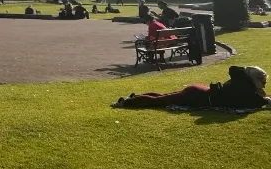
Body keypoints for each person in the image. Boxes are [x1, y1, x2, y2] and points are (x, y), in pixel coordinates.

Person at [113, 66, 271, 110]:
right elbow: (256, 101)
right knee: (159, 101)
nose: (264, 85)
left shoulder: (241, 82)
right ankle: (125, 102)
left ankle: (134, 97)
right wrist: (264, 99)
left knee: (163, 97)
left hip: (199, 91)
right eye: (263, 82)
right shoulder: (246, 89)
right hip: (197, 96)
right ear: (255, 79)